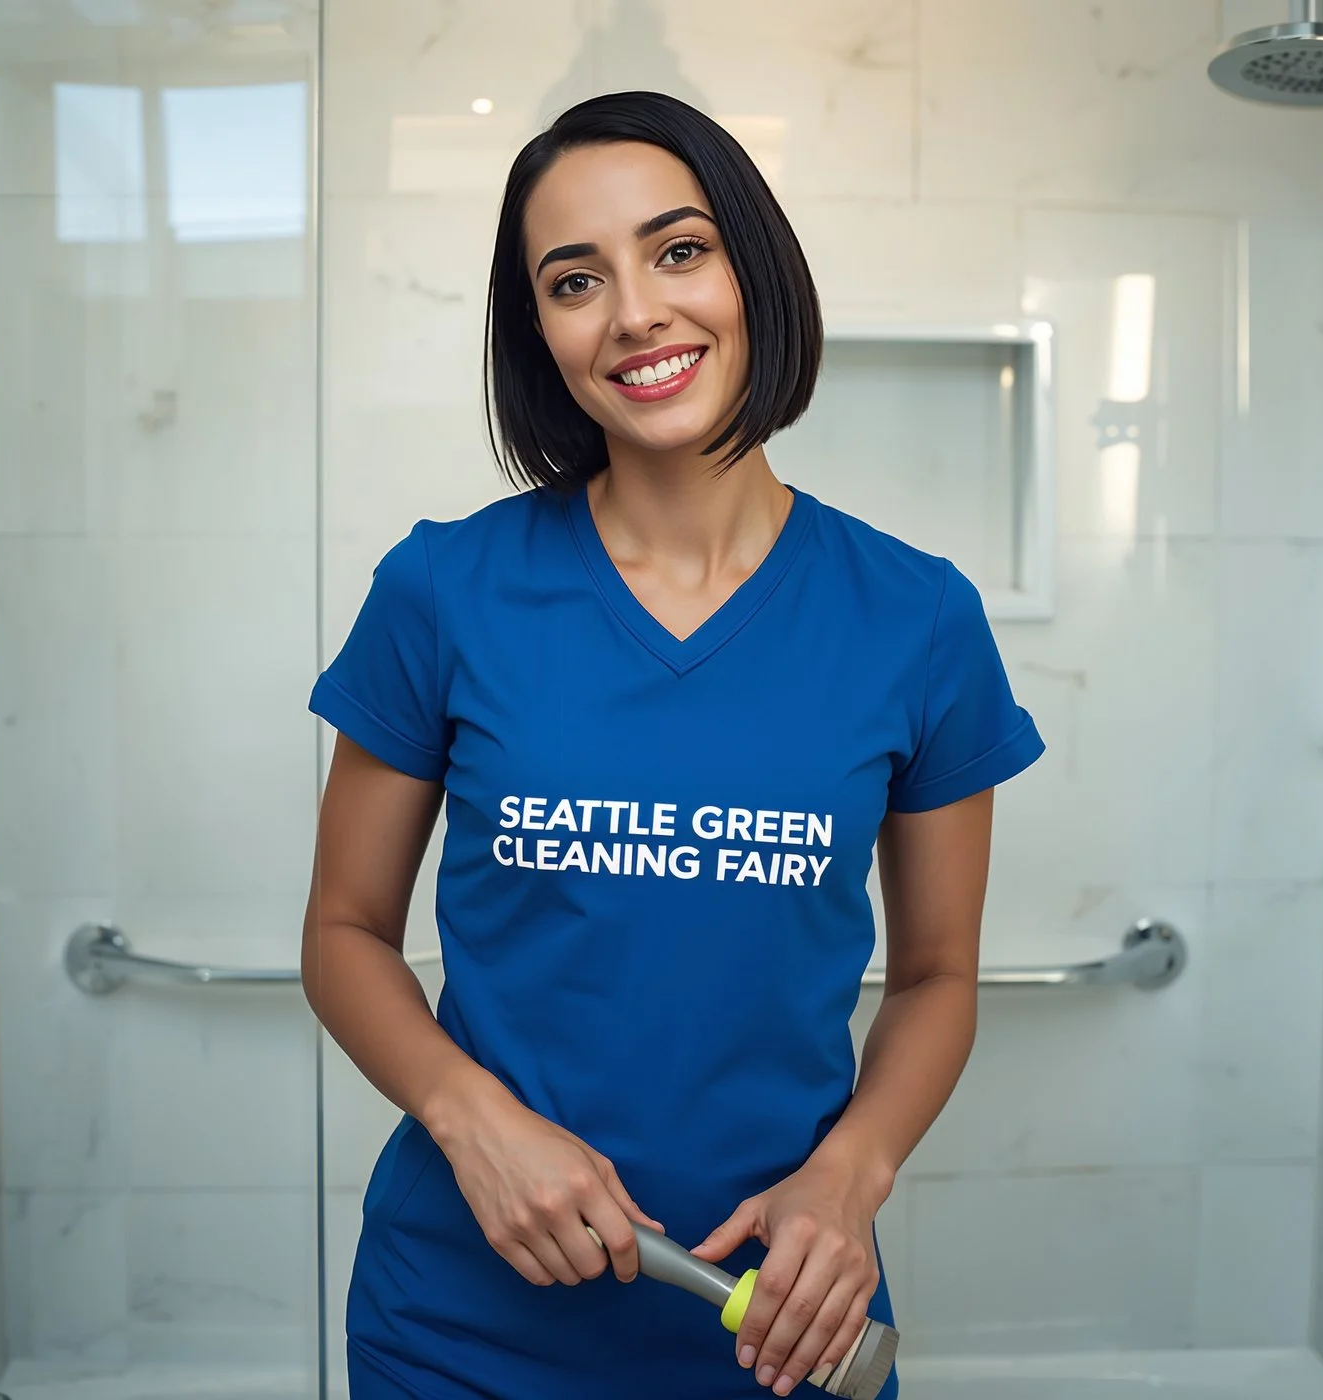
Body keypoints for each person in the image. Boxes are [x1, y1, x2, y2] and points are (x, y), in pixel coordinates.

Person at [304, 90, 1044, 1400]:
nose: (636, 311)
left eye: (678, 250)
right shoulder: (443, 592)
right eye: (575, 278)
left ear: (752, 270)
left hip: (779, 1323)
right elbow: (345, 933)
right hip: (460, 1322)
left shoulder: (914, 617)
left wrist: (849, 1175)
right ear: (541, 329)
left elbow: (937, 975)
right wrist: (475, 1124)